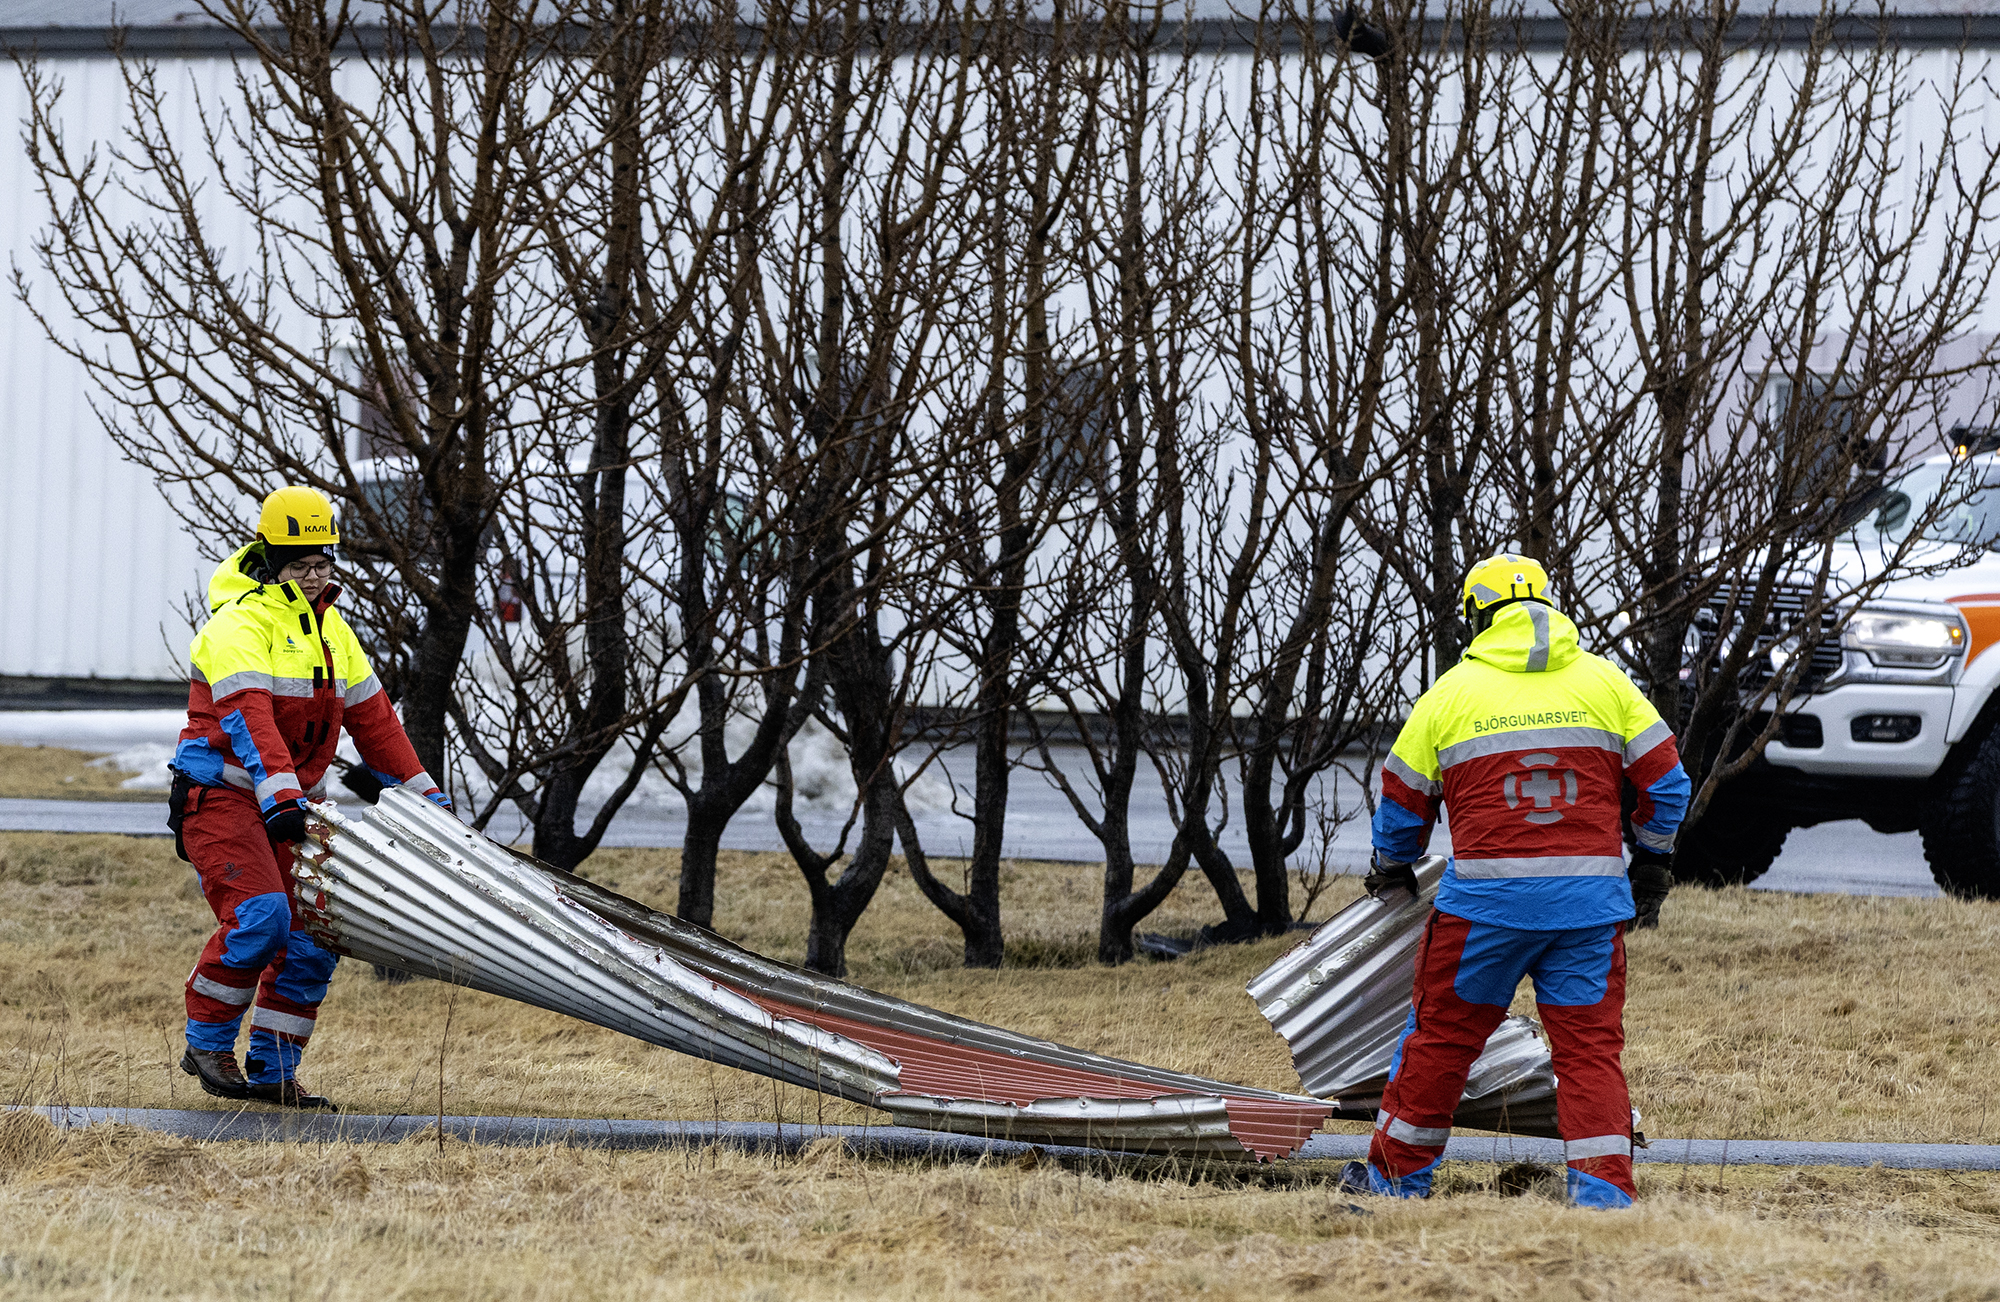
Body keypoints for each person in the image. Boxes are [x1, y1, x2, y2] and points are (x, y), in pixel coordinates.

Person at [1342, 553, 1689, 1209]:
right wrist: (1651, 860)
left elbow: (1401, 801)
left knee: (1441, 1043)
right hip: (1588, 913)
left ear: (1476, 616)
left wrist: (1393, 865)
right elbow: (1668, 784)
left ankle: (1394, 1185)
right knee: (1588, 1055)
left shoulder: (1449, 695)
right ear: (1550, 606)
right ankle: (1605, 1198)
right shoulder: (1606, 683)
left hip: (1483, 916)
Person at [170, 486, 450, 1110]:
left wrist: (428, 798)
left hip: (287, 803)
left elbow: (376, 723)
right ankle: (207, 1042)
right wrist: (281, 795)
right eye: (301, 562)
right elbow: (250, 720)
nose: (317, 572)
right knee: (262, 916)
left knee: (314, 938)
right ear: (271, 560)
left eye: (324, 560)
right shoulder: (237, 623)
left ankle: (273, 1070)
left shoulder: (332, 630)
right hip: (224, 796)